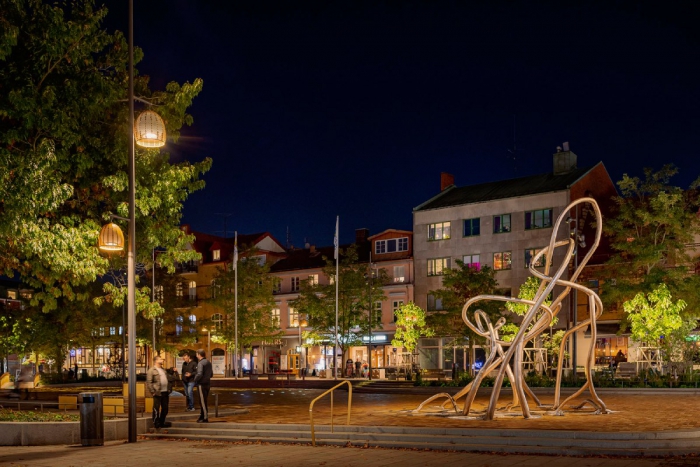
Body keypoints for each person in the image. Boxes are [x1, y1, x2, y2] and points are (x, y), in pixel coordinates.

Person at [146, 356, 173, 429]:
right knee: (156, 408)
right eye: (160, 359)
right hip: (157, 392)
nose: (162, 360)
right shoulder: (152, 370)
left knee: (165, 408)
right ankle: (156, 423)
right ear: (156, 361)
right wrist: (152, 391)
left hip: (165, 392)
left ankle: (162, 422)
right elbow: (149, 382)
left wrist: (169, 388)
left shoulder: (163, 370)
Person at [193, 348, 213, 423]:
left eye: (196, 354)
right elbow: (211, 374)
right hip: (207, 383)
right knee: (204, 400)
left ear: (198, 354)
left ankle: (204, 417)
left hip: (201, 384)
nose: (196, 356)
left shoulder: (201, 363)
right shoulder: (208, 362)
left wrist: (195, 379)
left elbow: (199, 373)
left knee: (202, 401)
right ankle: (202, 416)